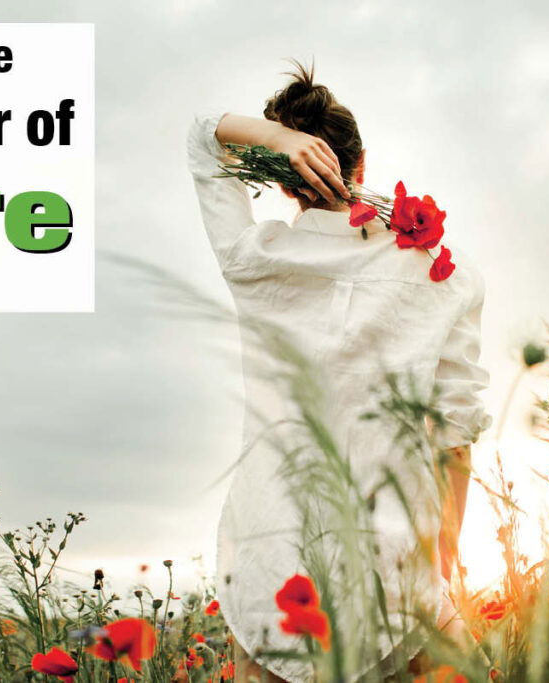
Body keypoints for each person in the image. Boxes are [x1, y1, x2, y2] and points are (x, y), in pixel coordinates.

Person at [186, 64, 492, 682]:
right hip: (398, 571)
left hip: (272, 560)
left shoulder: (257, 261)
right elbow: (455, 437)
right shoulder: (443, 275)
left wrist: (276, 141)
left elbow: (202, 137)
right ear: (363, 161)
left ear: (281, 182)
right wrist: (448, 559)